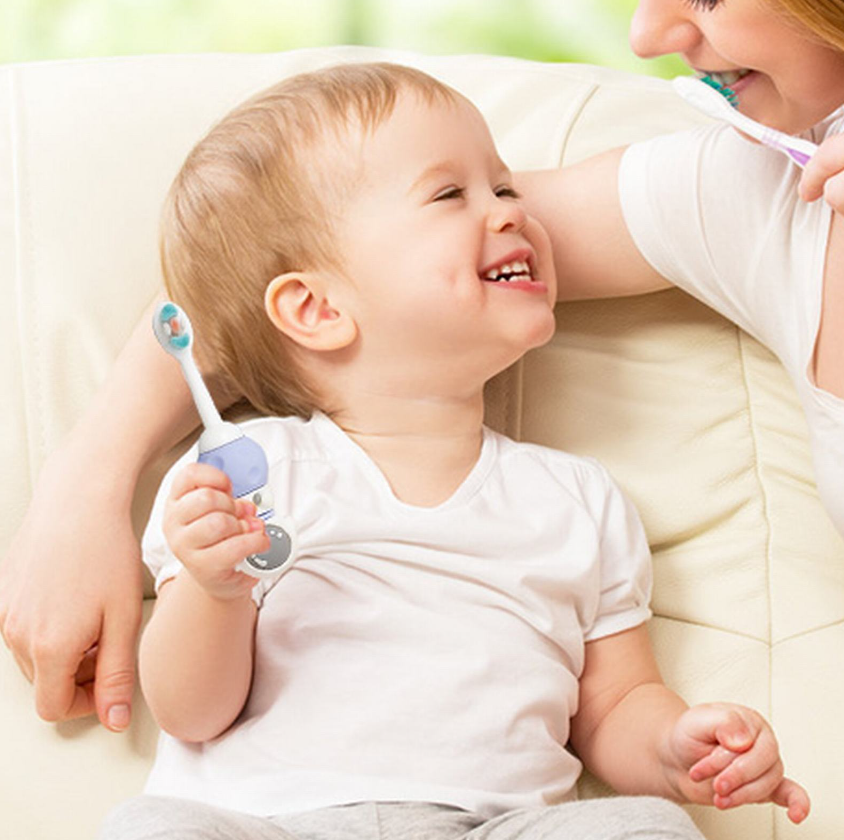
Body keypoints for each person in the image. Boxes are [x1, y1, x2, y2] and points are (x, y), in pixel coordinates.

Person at [2, 0, 843, 735]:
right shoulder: (755, 195)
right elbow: (258, 272)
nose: (646, 34)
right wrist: (81, 493)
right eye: (457, 194)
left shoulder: (577, 507)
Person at [96, 62, 807, 839]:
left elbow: (614, 706)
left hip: (494, 827)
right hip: (268, 823)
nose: (511, 211)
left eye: (503, 186)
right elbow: (190, 713)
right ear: (316, 308)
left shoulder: (580, 500)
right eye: (449, 195)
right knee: (152, 828)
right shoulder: (246, 478)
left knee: (647, 827)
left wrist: (676, 749)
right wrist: (214, 591)